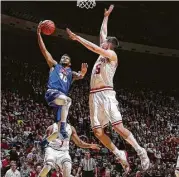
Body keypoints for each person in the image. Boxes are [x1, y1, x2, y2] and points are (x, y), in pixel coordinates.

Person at [66, 5, 150, 173]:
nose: (101, 41)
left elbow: (94, 47)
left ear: (109, 45)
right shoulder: (103, 53)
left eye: (104, 41)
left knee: (118, 127)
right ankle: (119, 153)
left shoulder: (112, 55)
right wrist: (106, 17)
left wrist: (78, 38)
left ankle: (141, 151)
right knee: (97, 132)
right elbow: (102, 32)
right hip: (94, 96)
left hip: (106, 94)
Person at [37, 21, 88, 139]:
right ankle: (63, 128)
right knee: (67, 101)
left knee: (60, 118)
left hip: (59, 100)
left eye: (66, 57)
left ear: (69, 63)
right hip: (52, 93)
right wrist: (39, 34)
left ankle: (54, 136)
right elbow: (44, 51)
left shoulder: (71, 72)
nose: (64, 58)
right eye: (62, 57)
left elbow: (80, 76)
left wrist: (83, 73)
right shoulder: (55, 65)